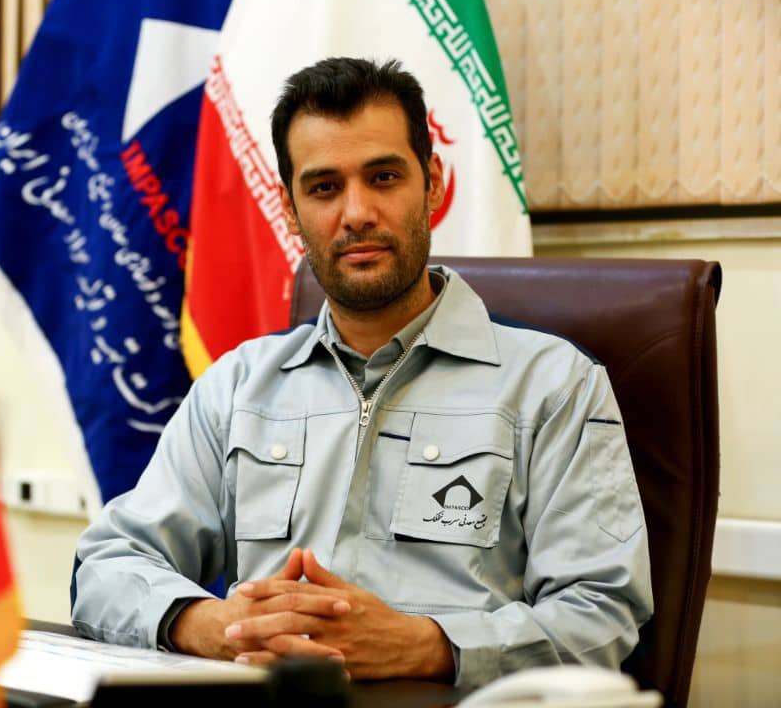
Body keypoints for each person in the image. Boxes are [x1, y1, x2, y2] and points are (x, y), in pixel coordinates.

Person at [71, 57, 653, 687]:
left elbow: (602, 615)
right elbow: (106, 566)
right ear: (290, 207)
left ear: (432, 183)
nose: (356, 213)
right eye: (324, 188)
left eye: (383, 177)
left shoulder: (553, 386)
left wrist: (427, 646)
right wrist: (214, 625)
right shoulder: (239, 386)